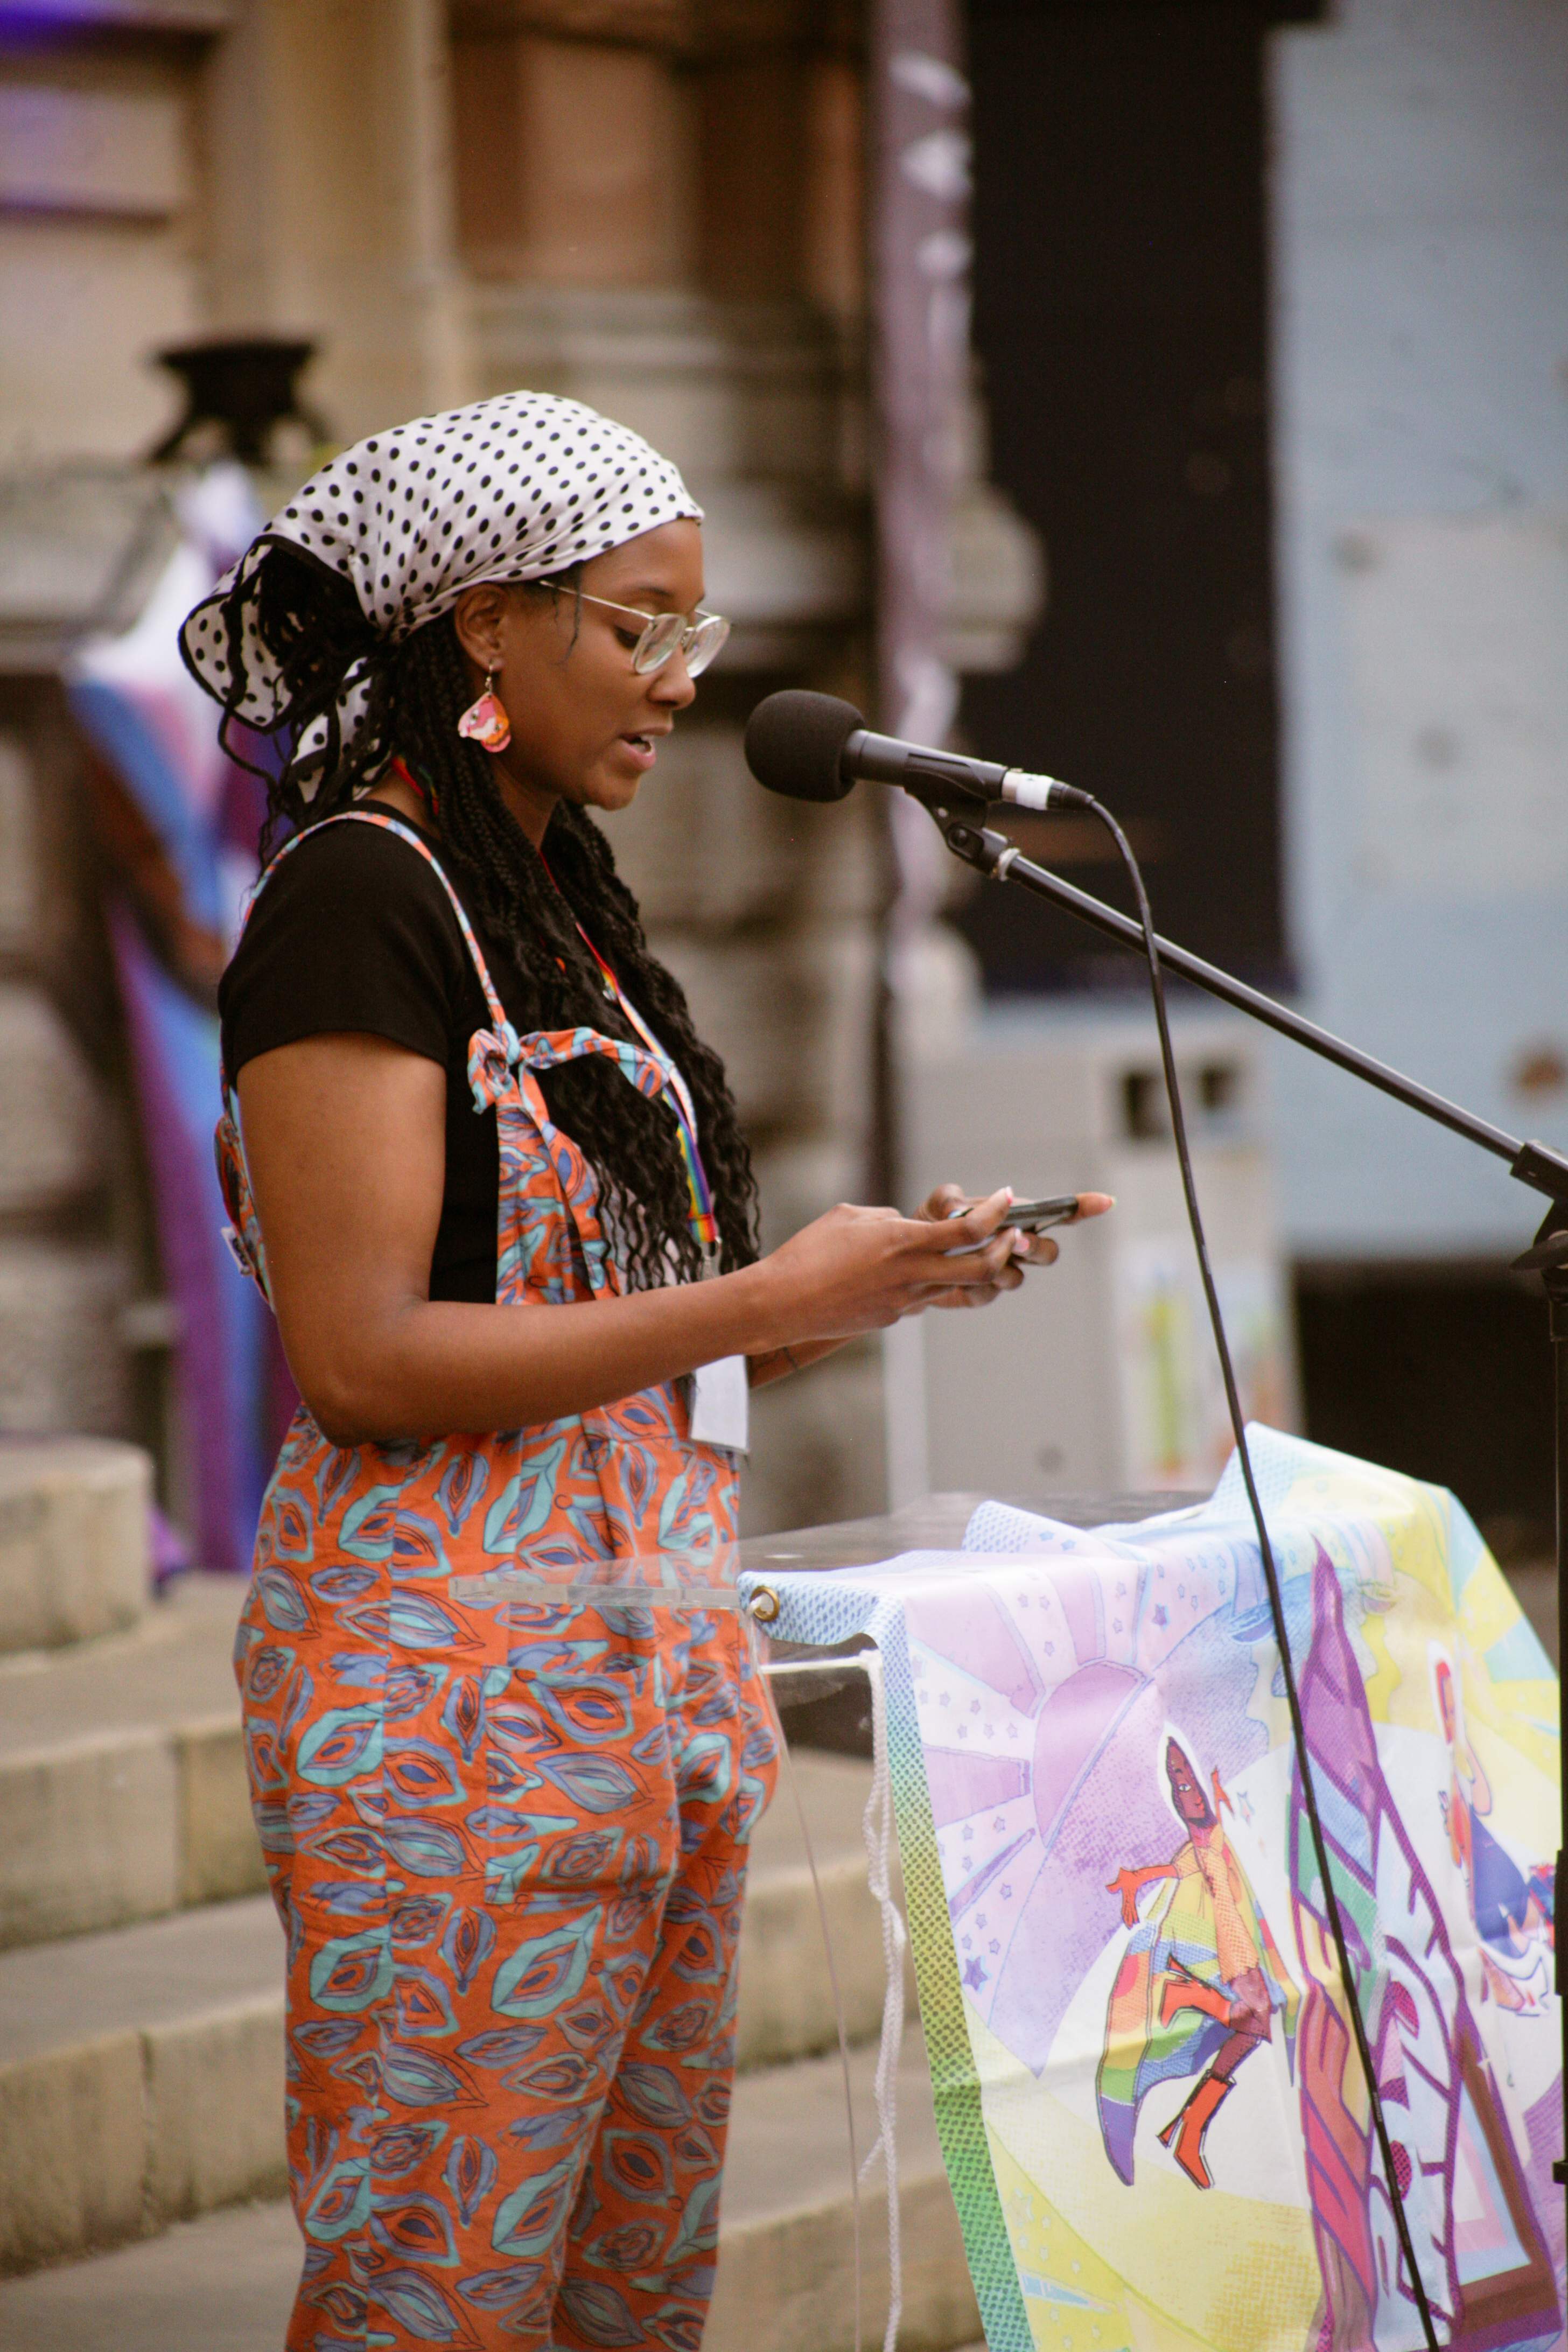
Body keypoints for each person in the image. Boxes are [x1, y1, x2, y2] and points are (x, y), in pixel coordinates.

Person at [185, 388, 1110, 2352]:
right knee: (436, 2292)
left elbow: (619, 1323)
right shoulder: (359, 898)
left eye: (696, 633)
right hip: (444, 1723)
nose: (684, 681)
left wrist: (882, 1279)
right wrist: (775, 1299)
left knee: (628, 2298)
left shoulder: (562, 921)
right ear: (484, 628)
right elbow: (359, 1356)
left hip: (643, 1691)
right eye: (642, 625)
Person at [1097, 1739, 1297, 2190]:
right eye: (1179, 1789)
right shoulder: (1194, 1850)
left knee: (1255, 2026)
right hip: (1226, 1951)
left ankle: (1188, 2129)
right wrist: (1132, 1883)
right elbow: (1165, 1874)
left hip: (1240, 1944)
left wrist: (1217, 1791)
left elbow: (1213, 1822)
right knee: (1259, 2019)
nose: (1189, 1798)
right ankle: (1185, 1995)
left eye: (1192, 1788)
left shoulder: (1216, 1836)